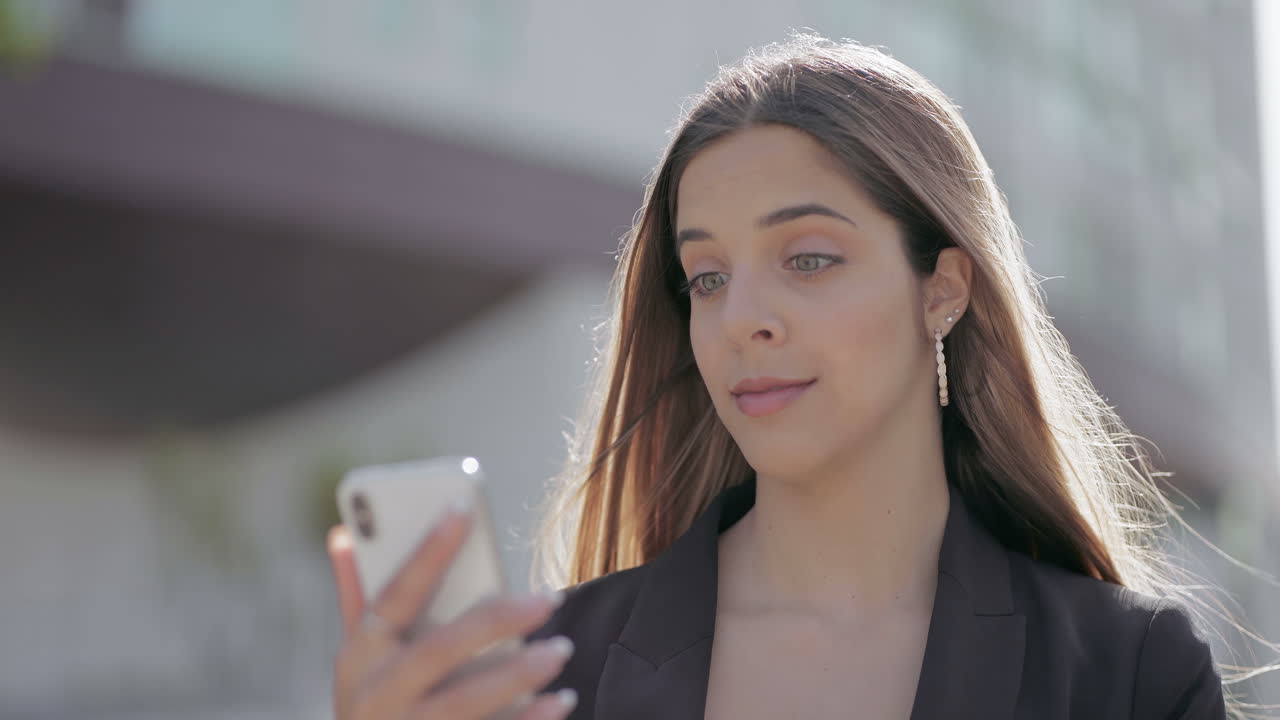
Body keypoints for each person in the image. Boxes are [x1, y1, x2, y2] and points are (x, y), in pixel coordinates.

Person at [326, 34, 1246, 719]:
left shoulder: (1128, 676)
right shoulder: (549, 677)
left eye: (808, 258)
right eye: (708, 277)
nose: (741, 320)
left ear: (943, 290)